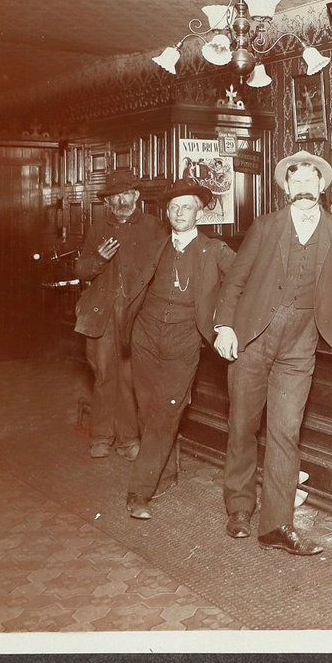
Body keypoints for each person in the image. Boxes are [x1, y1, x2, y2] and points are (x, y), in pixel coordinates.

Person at [212, 150, 332, 554]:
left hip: (300, 344)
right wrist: (225, 326)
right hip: (253, 337)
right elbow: (235, 280)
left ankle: (276, 524)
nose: (303, 188)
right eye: (295, 181)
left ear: (322, 185)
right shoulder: (266, 227)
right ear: (285, 188)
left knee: (285, 432)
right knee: (243, 425)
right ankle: (239, 507)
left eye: (310, 180)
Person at [113, 179, 236, 519]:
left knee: (166, 410)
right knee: (148, 407)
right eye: (174, 207)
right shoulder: (155, 247)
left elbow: (243, 279)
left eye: (187, 206)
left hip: (184, 339)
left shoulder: (214, 250)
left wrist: (224, 322)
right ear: (167, 213)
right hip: (145, 337)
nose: (180, 212)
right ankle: (166, 474)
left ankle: (139, 491)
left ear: (200, 211)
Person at [74, 170, 165, 460]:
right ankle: (100, 437)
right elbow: (81, 271)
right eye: (115, 196)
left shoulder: (153, 227)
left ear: (137, 196)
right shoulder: (98, 227)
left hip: (136, 315)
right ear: (108, 201)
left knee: (128, 378)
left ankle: (128, 440)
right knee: (103, 376)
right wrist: (99, 258)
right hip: (103, 316)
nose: (122, 200)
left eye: (127, 193)